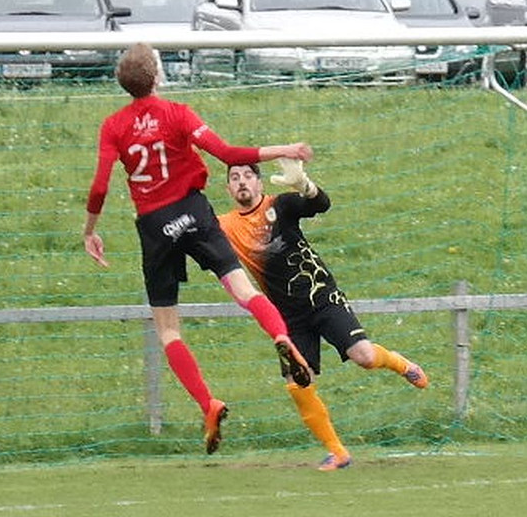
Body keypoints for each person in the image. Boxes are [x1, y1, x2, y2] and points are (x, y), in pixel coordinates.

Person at [83, 43, 313, 455]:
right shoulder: (178, 113)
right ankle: (282, 337)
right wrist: (285, 150)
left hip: (154, 227)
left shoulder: (113, 126)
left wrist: (90, 230)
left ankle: (208, 404)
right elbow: (227, 154)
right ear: (157, 76)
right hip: (193, 211)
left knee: (168, 329)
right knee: (244, 290)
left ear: (123, 85)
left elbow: (100, 186)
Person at [219, 159, 429, 471]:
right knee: (298, 382)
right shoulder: (225, 226)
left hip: (321, 296)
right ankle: (337, 452)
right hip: (287, 316)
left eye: (248, 175)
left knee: (364, 357)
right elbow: (194, 234)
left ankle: (401, 363)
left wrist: (304, 184)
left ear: (260, 183)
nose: (242, 182)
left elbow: (321, 204)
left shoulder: (281, 205)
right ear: (228, 189)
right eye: (235, 177)